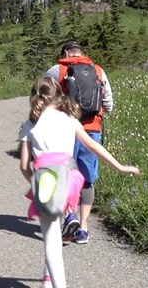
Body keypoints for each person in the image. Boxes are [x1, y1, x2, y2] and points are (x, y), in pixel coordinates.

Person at [19, 76, 139, 288]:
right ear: (58, 96)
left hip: (45, 178)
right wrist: (120, 166)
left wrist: (34, 182)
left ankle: (57, 284)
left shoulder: (30, 124)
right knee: (56, 230)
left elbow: (24, 165)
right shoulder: (70, 120)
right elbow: (94, 147)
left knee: (51, 239)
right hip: (69, 177)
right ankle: (48, 280)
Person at [45, 40, 114, 244]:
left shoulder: (57, 70)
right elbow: (108, 102)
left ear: (66, 52)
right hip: (92, 129)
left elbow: (42, 99)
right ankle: (83, 228)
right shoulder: (98, 70)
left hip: (64, 130)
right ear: (81, 53)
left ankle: (69, 217)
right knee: (87, 177)